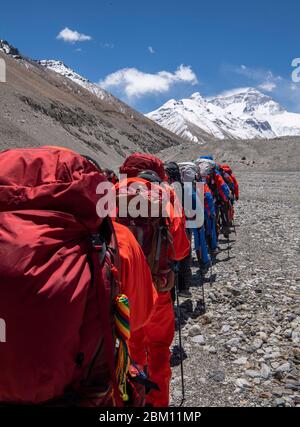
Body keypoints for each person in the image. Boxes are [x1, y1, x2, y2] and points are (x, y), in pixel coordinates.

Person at [117, 153, 190, 407]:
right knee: (159, 348)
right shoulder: (167, 196)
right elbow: (180, 250)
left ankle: (132, 399)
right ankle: (158, 404)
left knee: (130, 347)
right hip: (158, 289)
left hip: (122, 293)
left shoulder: (109, 195)